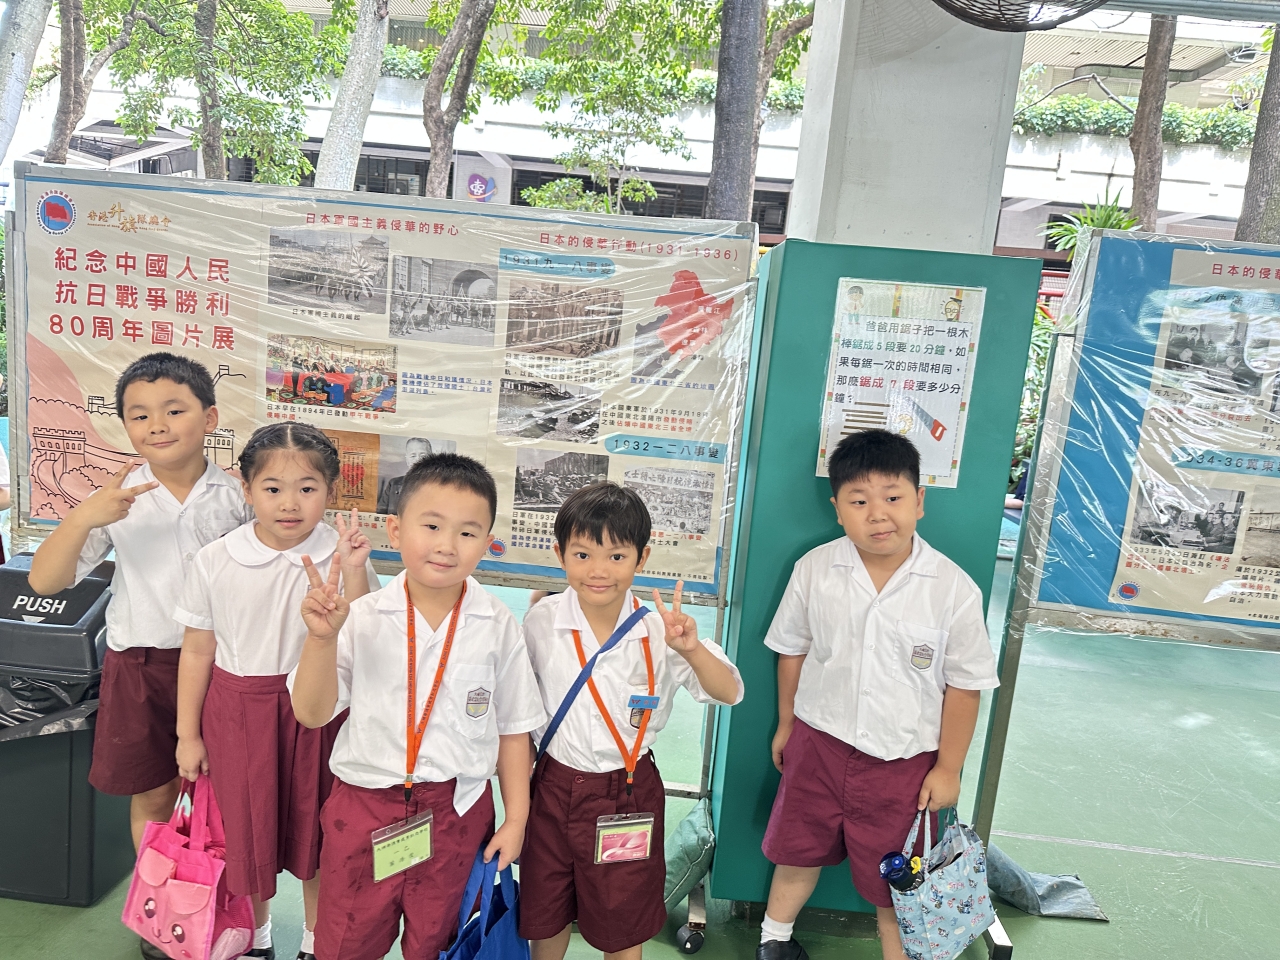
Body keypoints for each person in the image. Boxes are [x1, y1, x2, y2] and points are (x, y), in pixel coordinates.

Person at [27, 354, 251, 960]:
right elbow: (47, 581)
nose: (157, 425)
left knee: (231, 797)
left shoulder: (238, 497)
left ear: (209, 418)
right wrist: (84, 516)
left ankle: (233, 917)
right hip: (141, 667)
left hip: (227, 668)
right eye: (139, 414)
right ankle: (164, 917)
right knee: (152, 794)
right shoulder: (115, 497)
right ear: (124, 425)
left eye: (174, 410)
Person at [290, 453, 545, 960]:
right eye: (431, 526)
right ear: (395, 528)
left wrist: (517, 819)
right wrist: (320, 640)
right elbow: (311, 713)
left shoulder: (497, 625)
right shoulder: (360, 617)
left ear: (487, 542)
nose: (447, 545)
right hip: (364, 807)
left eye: (467, 532)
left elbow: (513, 729)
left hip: (458, 811)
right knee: (345, 942)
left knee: (439, 943)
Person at [756, 429, 999, 960]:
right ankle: (773, 940)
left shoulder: (953, 589)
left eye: (892, 497)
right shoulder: (815, 568)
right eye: (859, 501)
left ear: (919, 501)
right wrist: (787, 723)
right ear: (837, 509)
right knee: (797, 852)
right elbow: (792, 651)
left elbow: (965, 687)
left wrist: (949, 768)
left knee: (897, 882)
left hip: (904, 765)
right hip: (818, 745)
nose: (878, 514)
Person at [174, 424, 379, 960]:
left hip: (322, 712)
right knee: (247, 834)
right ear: (246, 489)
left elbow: (364, 633)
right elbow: (197, 650)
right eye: (272, 488)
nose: (290, 503)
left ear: (331, 491)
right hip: (238, 714)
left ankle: (315, 941)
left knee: (322, 831)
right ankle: (255, 938)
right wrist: (187, 735)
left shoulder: (342, 553)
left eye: (307, 488)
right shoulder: (216, 559)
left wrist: (355, 570)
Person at [520, 482, 743, 960]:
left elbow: (728, 691)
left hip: (627, 793)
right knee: (545, 908)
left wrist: (692, 650)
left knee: (623, 919)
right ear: (560, 554)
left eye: (617, 556)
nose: (598, 570)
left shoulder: (661, 630)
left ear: (642, 558)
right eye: (582, 554)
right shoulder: (541, 621)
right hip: (553, 787)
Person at [375, 437, 435, 514]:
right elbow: (379, 514)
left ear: (431, 458)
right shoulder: (393, 484)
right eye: (413, 456)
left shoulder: (440, 485)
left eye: (423, 455)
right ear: (407, 459)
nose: (418, 460)